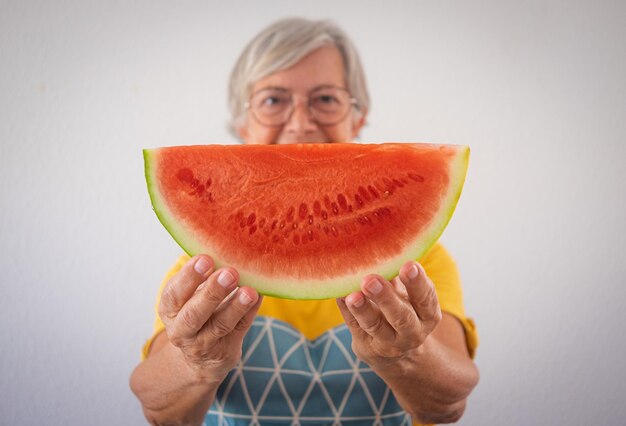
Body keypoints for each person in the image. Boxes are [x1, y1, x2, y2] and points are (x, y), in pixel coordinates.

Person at [130, 17, 479, 426]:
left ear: (358, 116)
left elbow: (447, 405)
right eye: (273, 100)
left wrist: (410, 357)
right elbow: (161, 413)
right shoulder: (206, 269)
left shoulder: (421, 265)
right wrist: (194, 363)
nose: (299, 123)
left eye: (326, 99)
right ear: (242, 124)